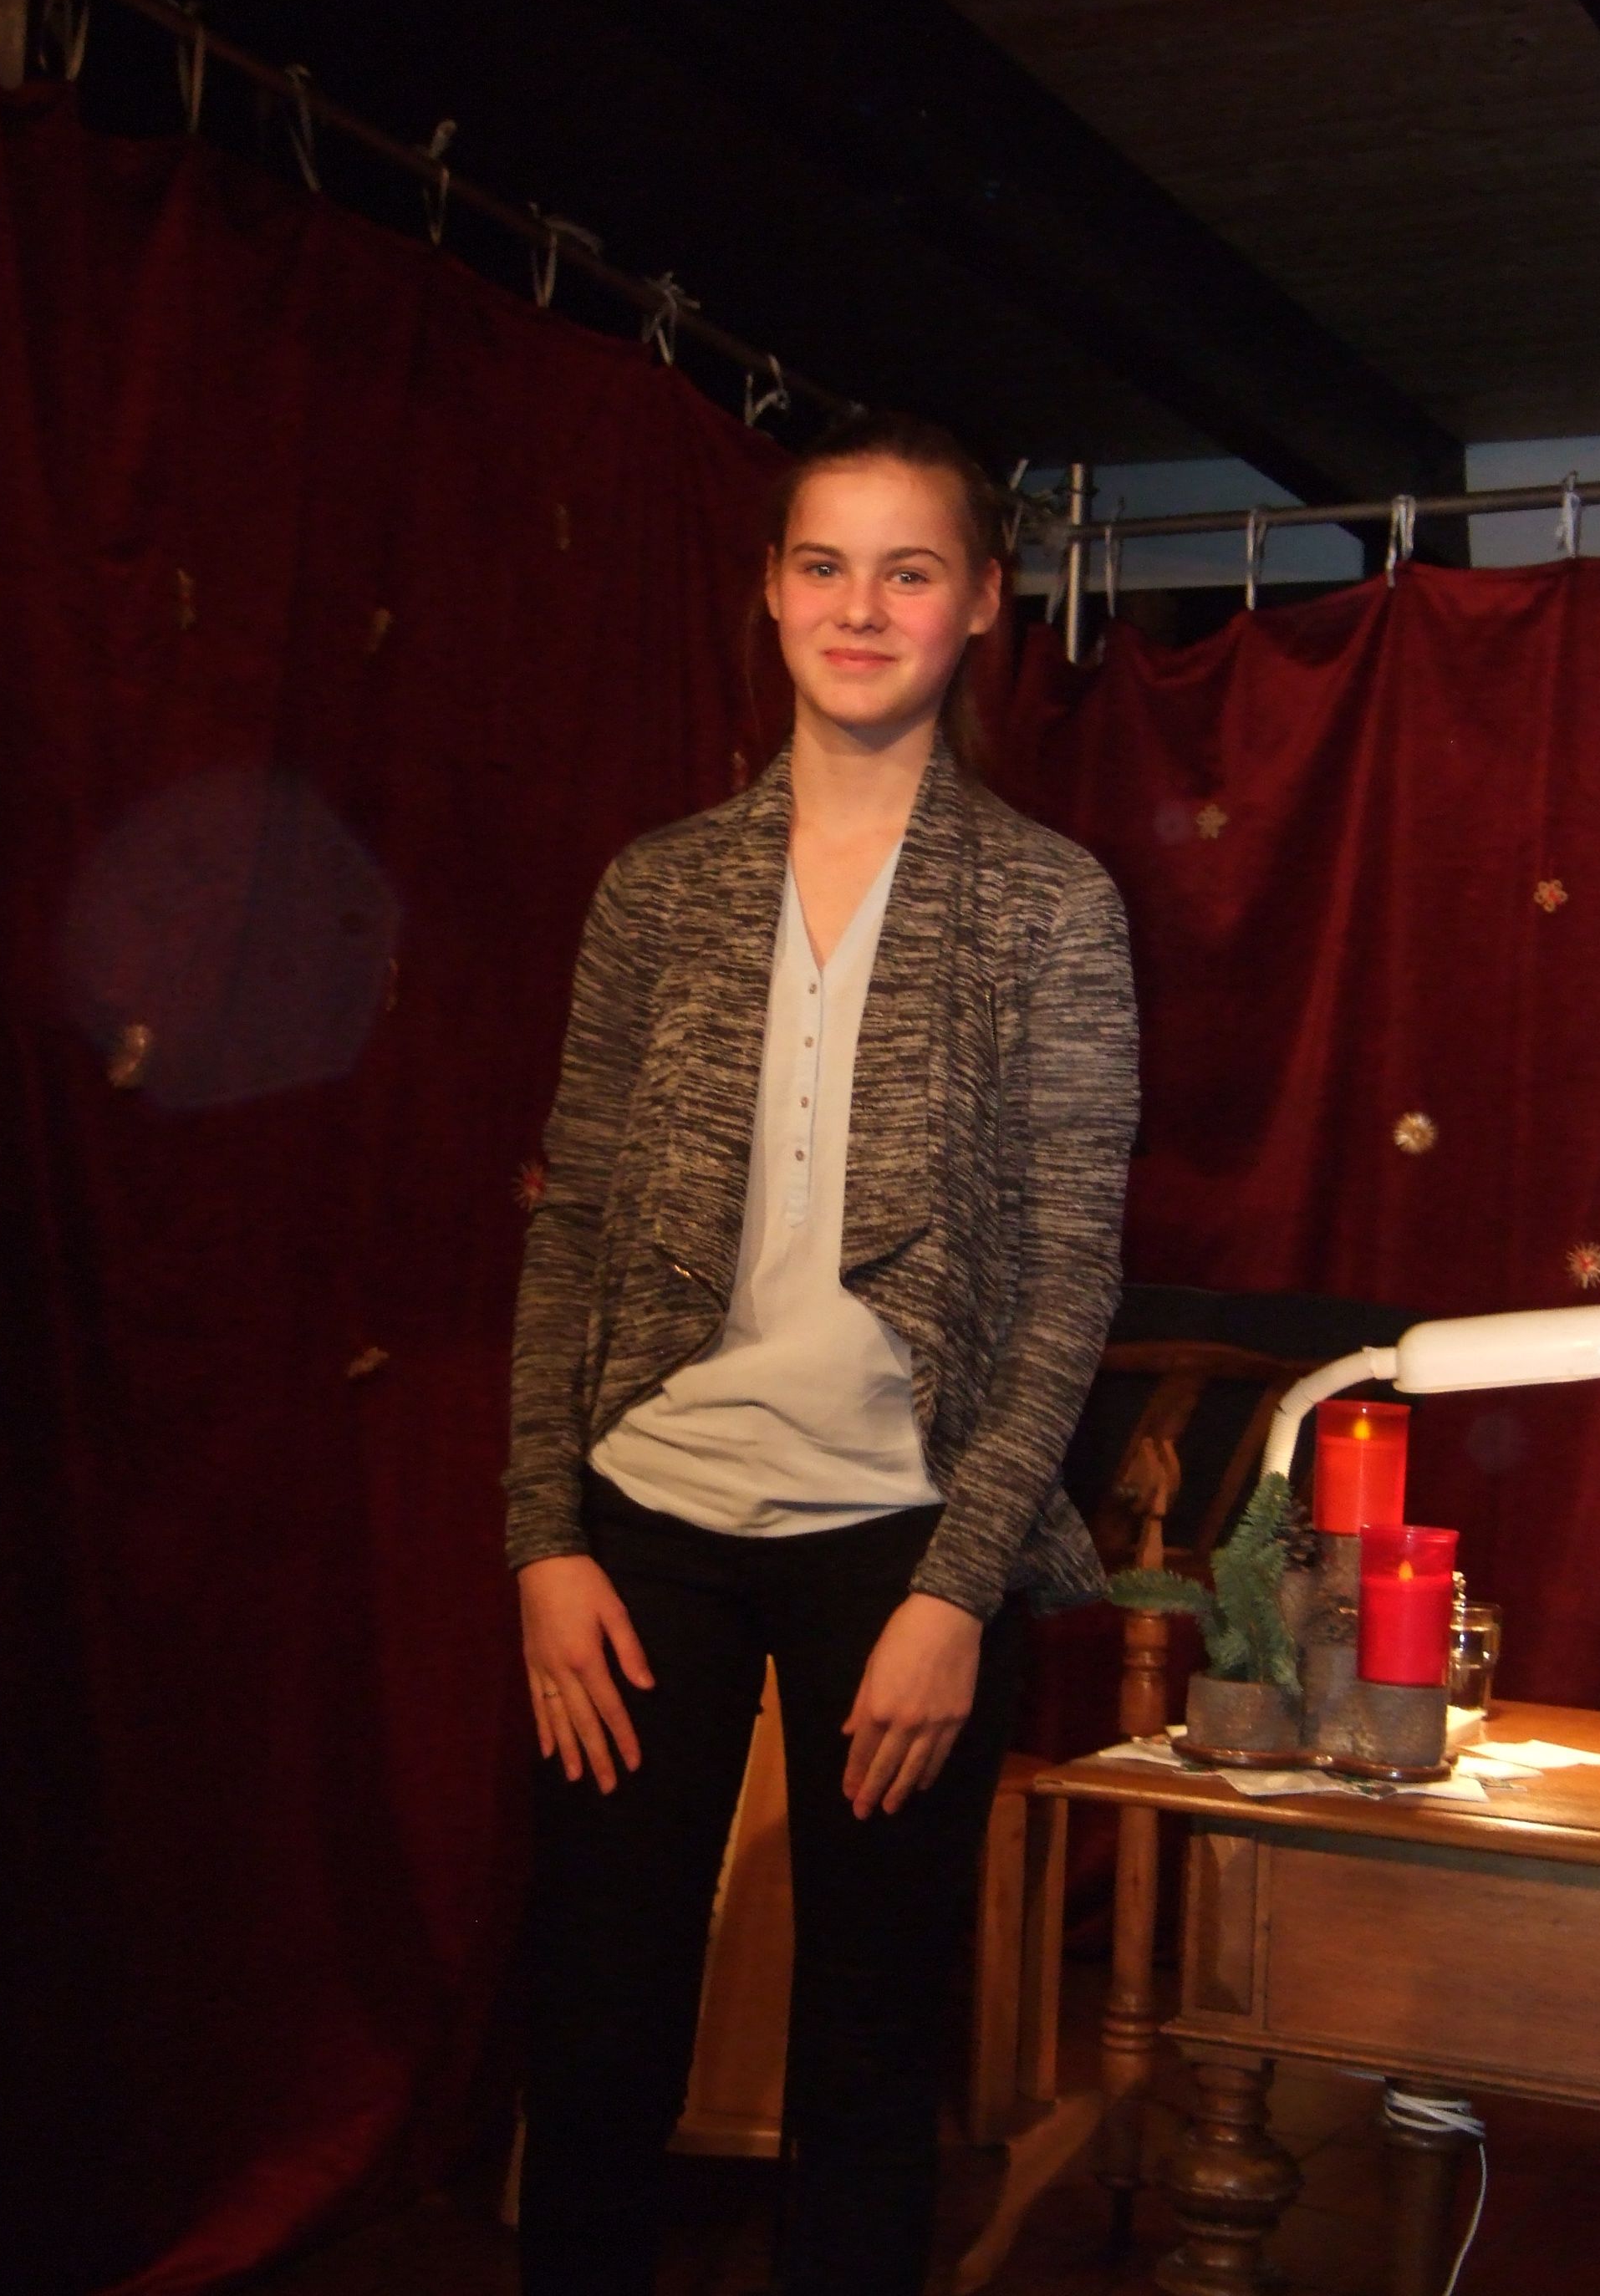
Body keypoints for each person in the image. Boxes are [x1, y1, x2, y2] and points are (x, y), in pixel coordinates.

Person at [505, 410, 1138, 2296]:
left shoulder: (1050, 902)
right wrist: (542, 1536)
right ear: (773, 593)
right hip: (644, 1528)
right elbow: (572, 1223)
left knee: (867, 2051)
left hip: (905, 1542)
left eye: (908, 569)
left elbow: (1070, 1278)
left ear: (983, 605)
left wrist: (960, 1586)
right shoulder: (657, 887)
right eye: (823, 564)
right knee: (595, 2026)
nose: (861, 608)